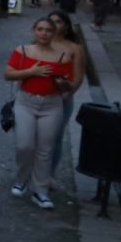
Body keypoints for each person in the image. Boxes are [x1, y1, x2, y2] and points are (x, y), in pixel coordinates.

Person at [6, 16, 75, 209]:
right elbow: (8, 74)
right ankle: (21, 178)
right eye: (41, 29)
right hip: (25, 102)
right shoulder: (22, 51)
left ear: (54, 33)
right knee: (24, 145)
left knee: (45, 149)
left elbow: (69, 83)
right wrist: (31, 72)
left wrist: (63, 83)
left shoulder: (63, 56)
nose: (44, 33)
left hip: (52, 104)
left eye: (48, 30)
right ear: (34, 31)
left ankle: (40, 190)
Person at [44, 9, 88, 182]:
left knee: (54, 138)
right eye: (51, 21)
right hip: (36, 96)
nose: (54, 25)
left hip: (61, 98)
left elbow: (78, 77)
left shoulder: (75, 48)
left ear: (66, 26)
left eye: (58, 22)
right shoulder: (39, 43)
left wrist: (68, 93)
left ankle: (49, 174)